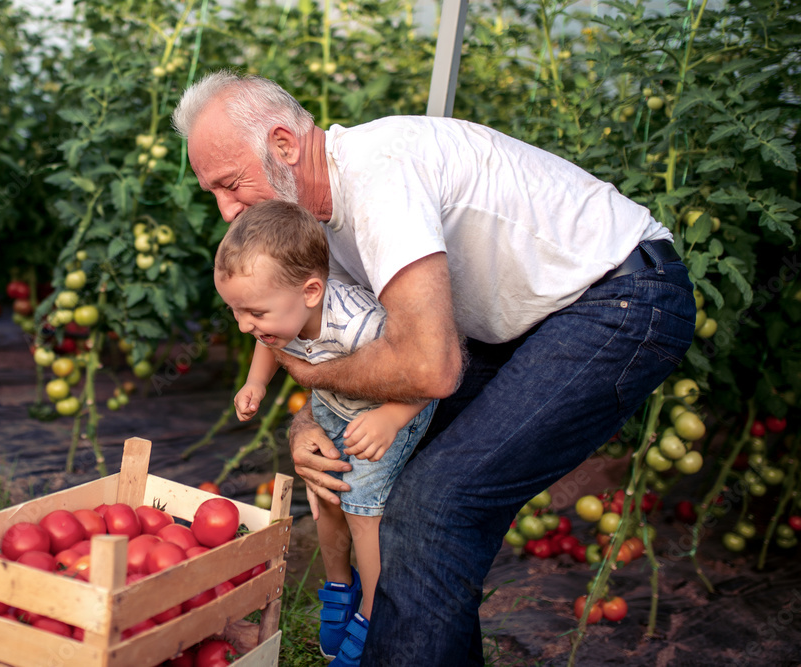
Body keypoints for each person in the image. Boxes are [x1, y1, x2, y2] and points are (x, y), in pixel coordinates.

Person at [173, 71, 696, 665]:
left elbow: (428, 369)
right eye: (212, 193)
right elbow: (344, 349)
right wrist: (308, 428)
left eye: (231, 184)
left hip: (620, 298)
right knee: (397, 483)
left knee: (435, 505)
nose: (225, 211)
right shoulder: (309, 228)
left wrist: (311, 379)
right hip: (525, 324)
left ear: (285, 146)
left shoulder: (378, 175)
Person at [213, 199, 437, 665]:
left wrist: (392, 416)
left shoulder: (360, 326)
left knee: (359, 508)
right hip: (334, 408)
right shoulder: (282, 312)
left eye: (253, 312)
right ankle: (340, 583)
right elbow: (269, 343)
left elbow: (426, 374)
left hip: (387, 413)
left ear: (312, 290)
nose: (244, 324)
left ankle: (375, 614)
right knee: (325, 493)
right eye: (235, 312)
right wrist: (256, 382)